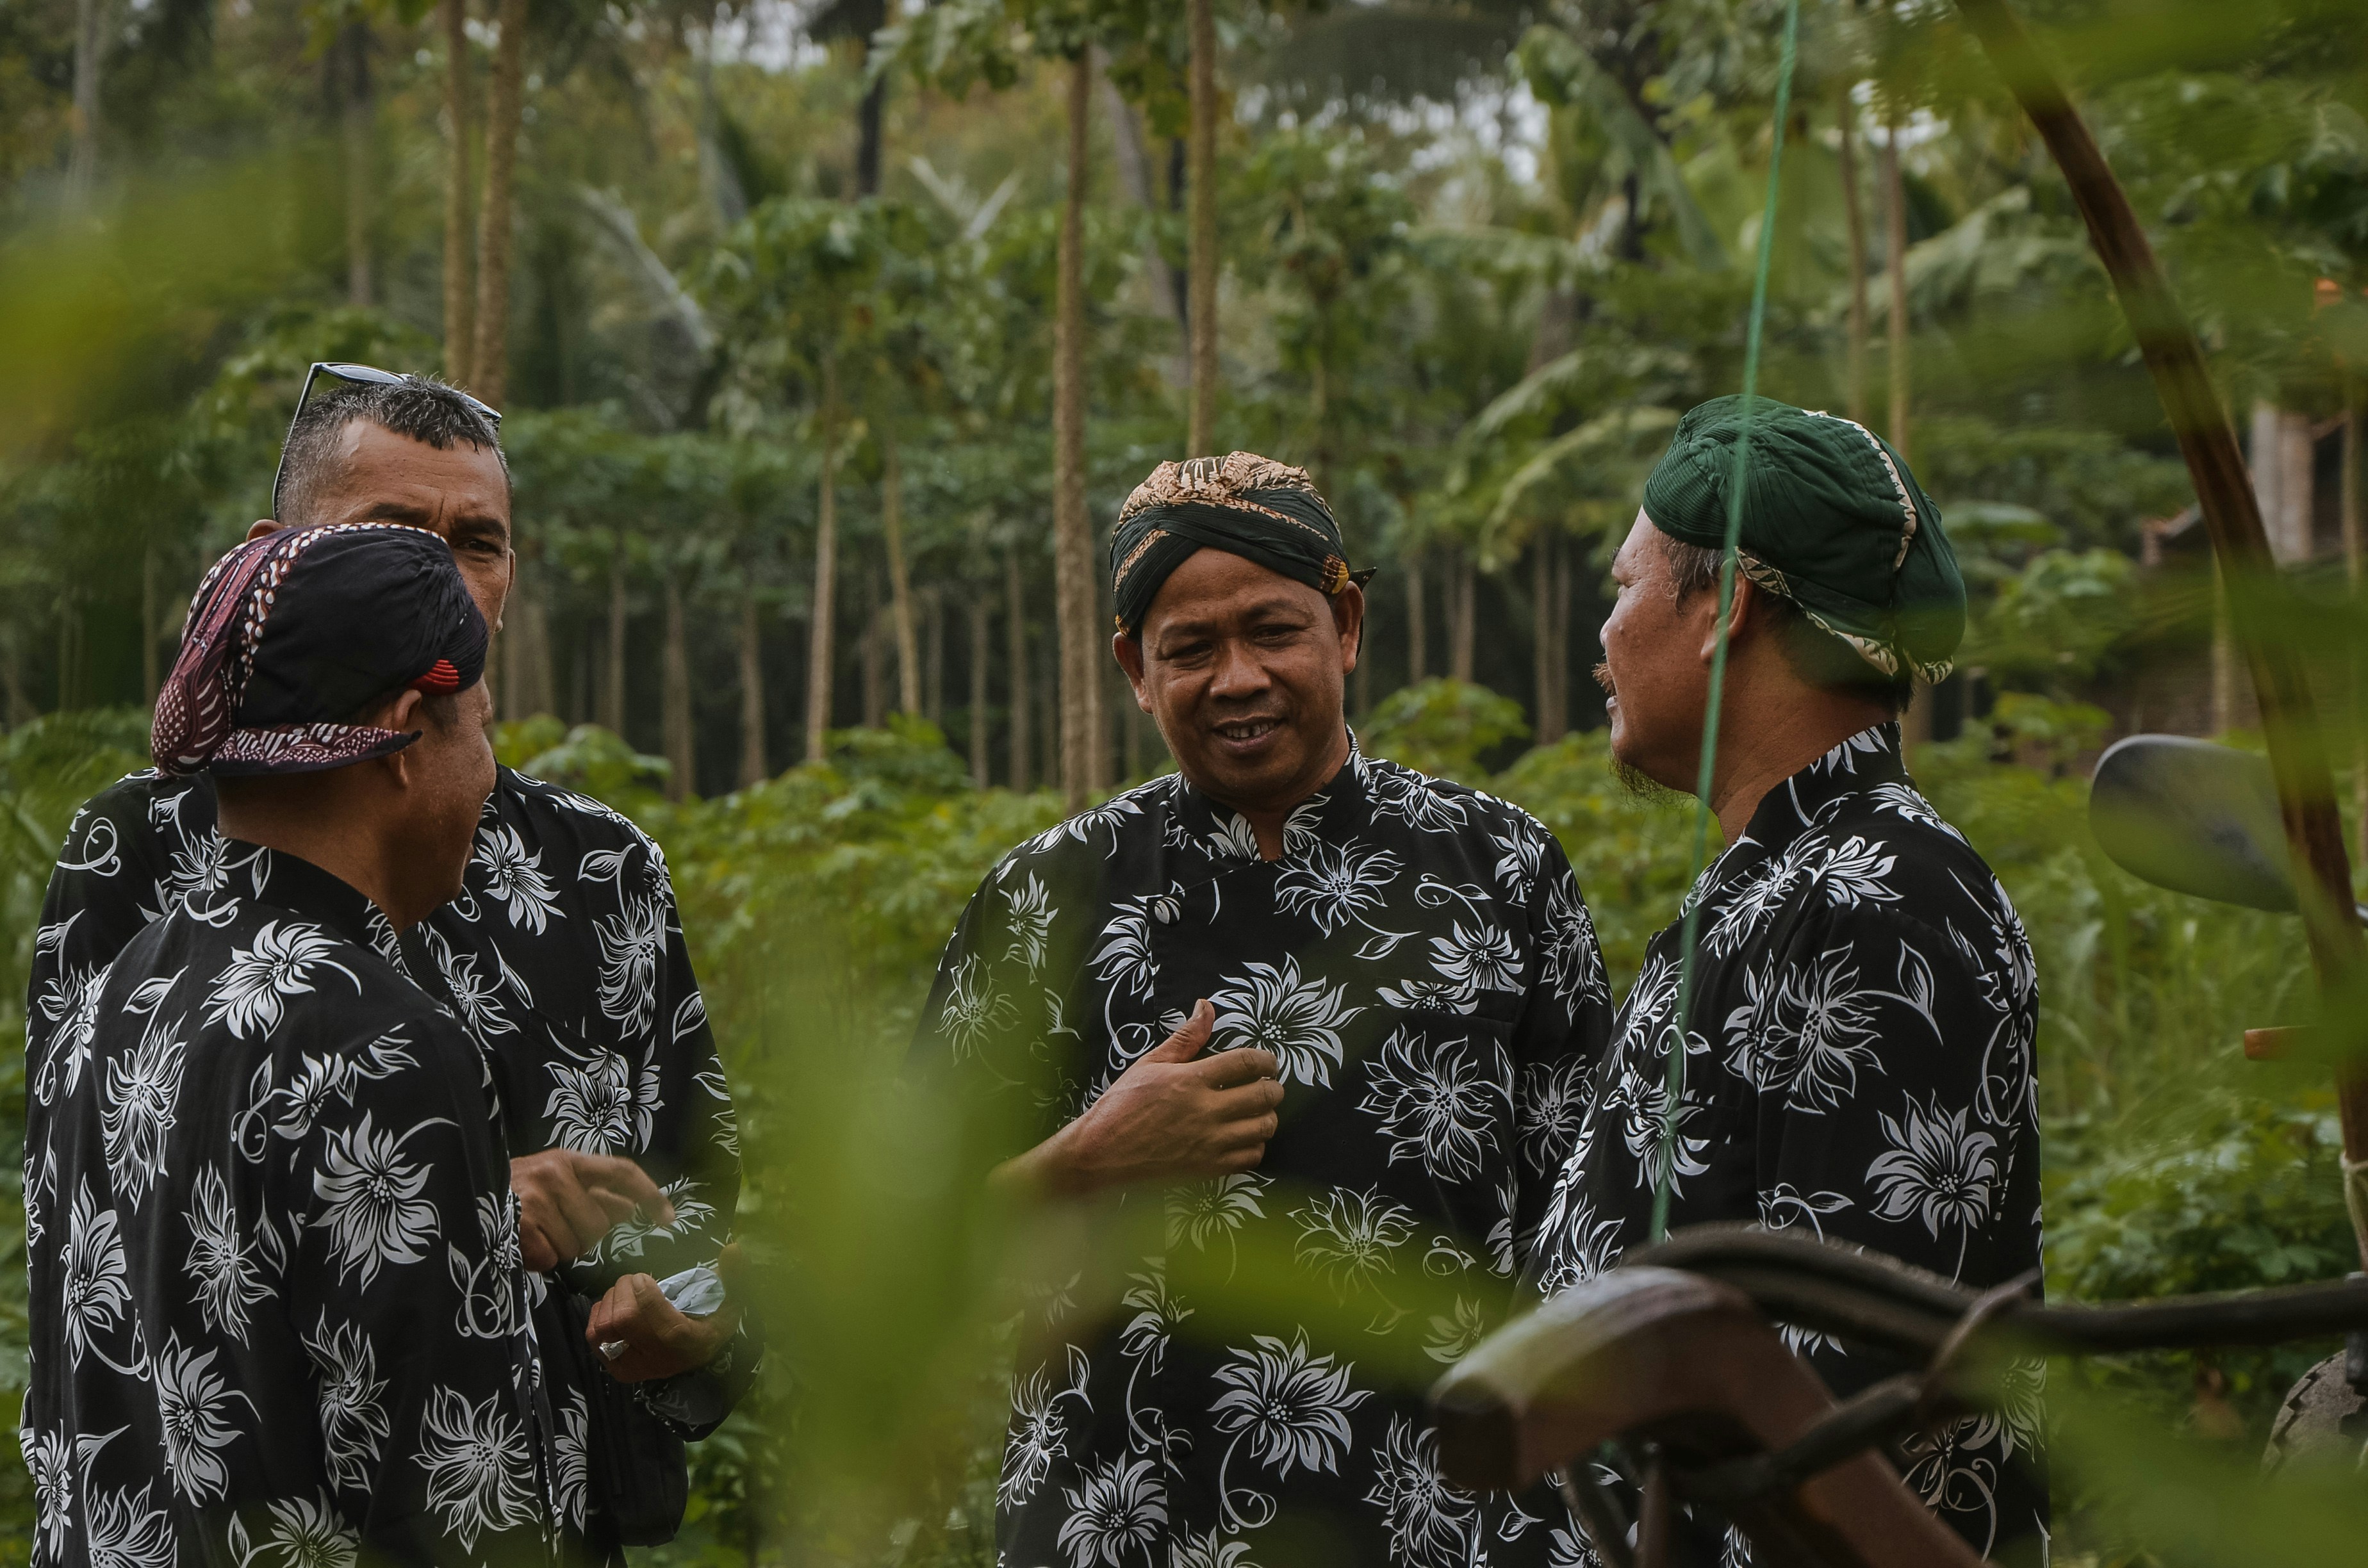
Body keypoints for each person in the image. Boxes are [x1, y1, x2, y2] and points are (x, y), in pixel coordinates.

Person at [24, 369, 753, 1559]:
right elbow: (93, 1264)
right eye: (397, 539)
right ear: (278, 561)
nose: (445, 576)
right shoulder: (144, 853)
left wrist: (696, 1309)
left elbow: (704, 1204)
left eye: (476, 542)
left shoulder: (601, 871)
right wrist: (452, 1204)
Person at [914, 452, 1616, 1567]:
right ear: (1135, 670)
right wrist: (1088, 1158)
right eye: (1190, 649)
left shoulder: (1500, 869)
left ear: (1345, 624)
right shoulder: (1045, 900)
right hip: (1124, 1524)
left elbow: (1588, 1231)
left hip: (1452, 1526)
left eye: (1272, 631)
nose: (1237, 678)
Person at [1532, 396, 2045, 1561]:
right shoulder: (1790, 885)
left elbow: (1846, 1409)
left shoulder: (1877, 904)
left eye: (1624, 587)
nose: (1603, 637)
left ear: (1725, 608)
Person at [24, 523, 555, 1558]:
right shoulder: (384, 1048)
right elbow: (451, 1511)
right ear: (408, 736)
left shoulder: (115, 998)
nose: (490, 777)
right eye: (479, 729)